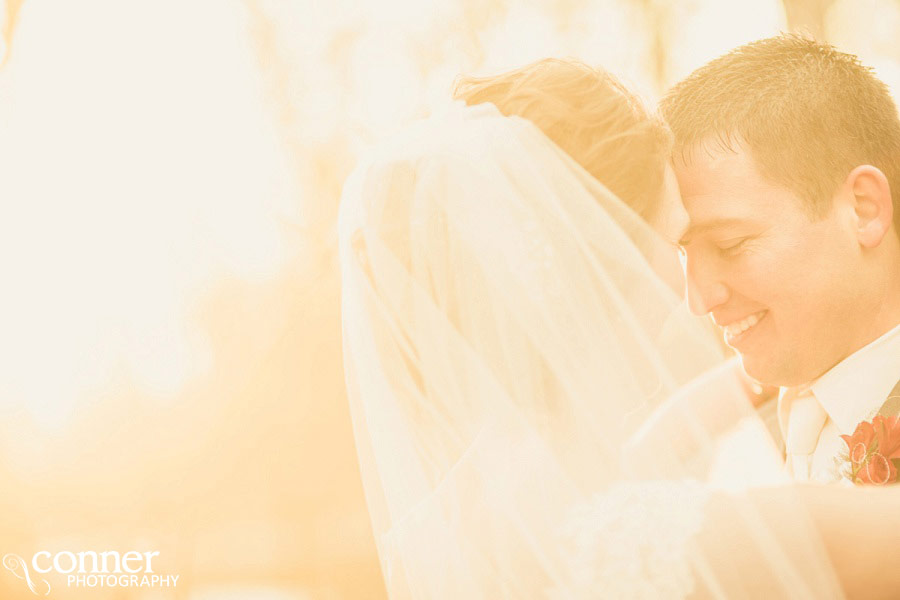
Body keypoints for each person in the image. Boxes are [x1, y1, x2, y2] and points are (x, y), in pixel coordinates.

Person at [338, 58, 898, 599]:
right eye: (676, 242)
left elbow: (650, 450)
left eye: (726, 245)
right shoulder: (695, 533)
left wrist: (763, 376)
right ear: (601, 260)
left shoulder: (447, 524)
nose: (697, 295)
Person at [661, 34, 900, 483]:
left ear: (864, 209)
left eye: (730, 244)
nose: (699, 300)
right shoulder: (754, 419)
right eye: (683, 251)